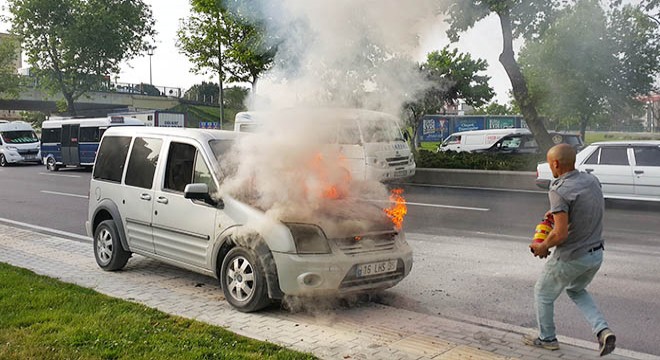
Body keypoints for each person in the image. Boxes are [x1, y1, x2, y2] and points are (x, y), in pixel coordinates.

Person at [524, 144, 616, 356]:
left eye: (550, 164)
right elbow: (580, 208)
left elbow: (560, 233)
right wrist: (555, 213)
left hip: (572, 256)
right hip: (596, 254)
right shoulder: (591, 180)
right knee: (575, 290)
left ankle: (547, 339)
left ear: (555, 163)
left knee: (542, 293)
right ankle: (603, 331)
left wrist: (542, 246)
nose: (551, 168)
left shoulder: (559, 189)